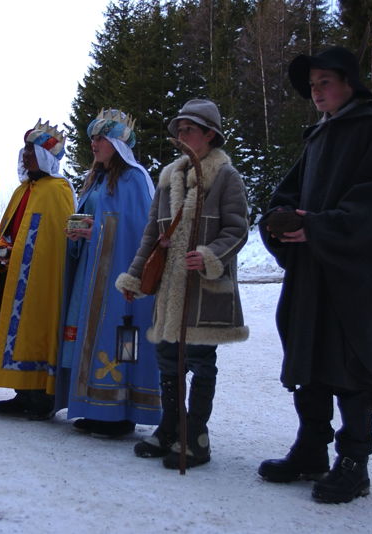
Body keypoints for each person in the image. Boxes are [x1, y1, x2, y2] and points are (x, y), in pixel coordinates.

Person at [257, 46, 372, 504]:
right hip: (314, 270)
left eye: (326, 82)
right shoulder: (320, 136)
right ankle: (311, 449)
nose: (317, 91)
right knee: (309, 359)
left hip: (353, 273)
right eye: (313, 85)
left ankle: (354, 461)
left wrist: (318, 226)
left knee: (349, 363)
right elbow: (288, 192)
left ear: (349, 82)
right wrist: (280, 218)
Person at [116, 99, 249, 468]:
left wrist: (210, 255)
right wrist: (137, 274)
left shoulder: (226, 176)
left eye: (189, 128)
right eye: (179, 129)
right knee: (167, 360)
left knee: (201, 361)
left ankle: (196, 435)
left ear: (210, 134)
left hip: (205, 289)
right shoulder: (168, 176)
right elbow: (150, 234)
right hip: (169, 289)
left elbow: (238, 230)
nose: (181, 135)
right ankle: (169, 427)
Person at [55, 109, 160, 438]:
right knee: (87, 336)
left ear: (117, 142)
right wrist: (79, 235)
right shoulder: (96, 180)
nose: (94, 143)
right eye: (92, 138)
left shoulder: (134, 177)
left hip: (118, 278)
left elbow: (142, 230)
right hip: (91, 272)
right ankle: (93, 405)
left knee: (121, 338)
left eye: (101, 138)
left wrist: (96, 231)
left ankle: (120, 412)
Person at [0, 120, 75, 420]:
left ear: (47, 157)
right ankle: (21, 391)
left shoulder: (57, 190)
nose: (26, 156)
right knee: (15, 332)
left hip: (41, 277)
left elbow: (57, 239)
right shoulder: (22, 191)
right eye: (24, 150)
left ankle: (41, 395)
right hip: (15, 274)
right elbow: (11, 228)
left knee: (37, 329)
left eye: (32, 151)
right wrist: (4, 246)